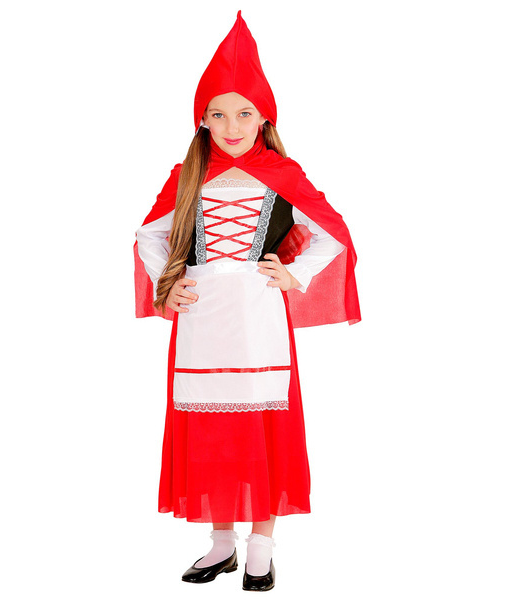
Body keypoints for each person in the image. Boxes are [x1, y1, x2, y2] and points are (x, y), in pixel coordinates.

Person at [133, 11, 361, 592]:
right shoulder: (188, 174)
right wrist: (168, 284)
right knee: (211, 433)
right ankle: (221, 544)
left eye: (244, 113)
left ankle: (261, 546)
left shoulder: (280, 173)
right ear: (202, 119)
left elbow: (333, 233)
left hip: (260, 320)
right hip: (201, 321)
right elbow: (149, 235)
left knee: (263, 430)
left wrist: (294, 274)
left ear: (264, 118)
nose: (231, 125)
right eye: (218, 113)